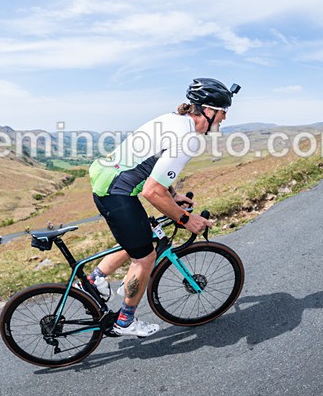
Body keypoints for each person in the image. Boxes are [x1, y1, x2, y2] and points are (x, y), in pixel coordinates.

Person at [84, 77, 238, 337]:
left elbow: (153, 169)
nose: (224, 118)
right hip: (117, 192)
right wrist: (187, 220)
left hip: (107, 183)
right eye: (224, 112)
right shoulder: (188, 138)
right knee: (144, 258)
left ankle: (96, 278)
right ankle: (125, 321)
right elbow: (151, 191)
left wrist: (174, 196)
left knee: (145, 234)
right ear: (209, 111)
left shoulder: (173, 120)